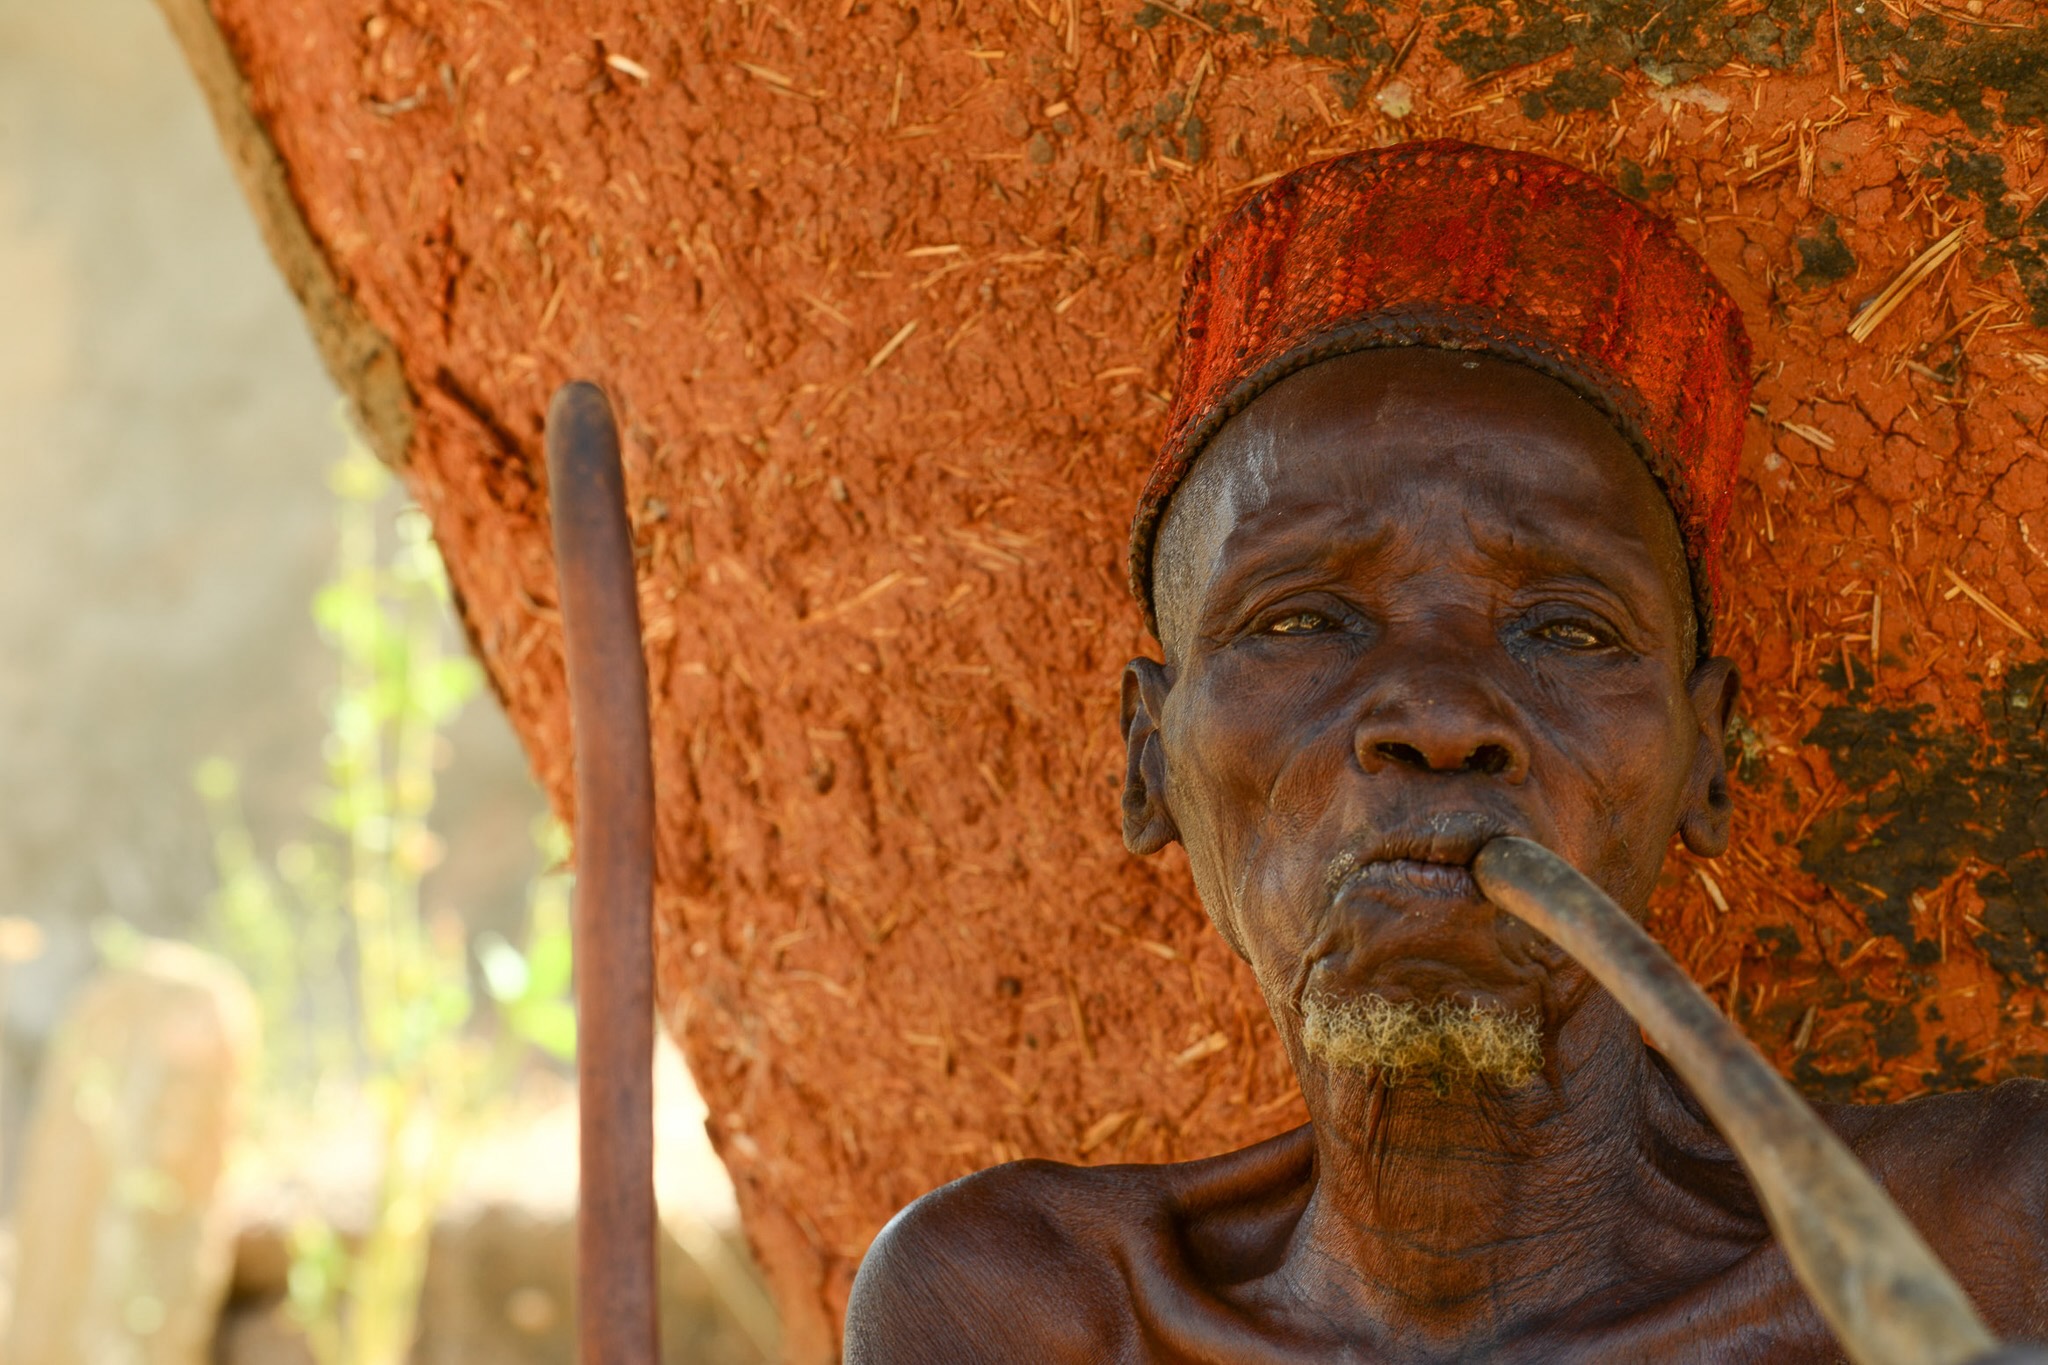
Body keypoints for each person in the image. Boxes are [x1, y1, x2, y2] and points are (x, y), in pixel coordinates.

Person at [841, 140, 2048, 1362]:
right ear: (1149, 759)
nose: (1437, 718)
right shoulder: (1029, 1314)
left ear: (1705, 763)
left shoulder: (2005, 1249)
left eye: (1567, 630)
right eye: (1302, 620)